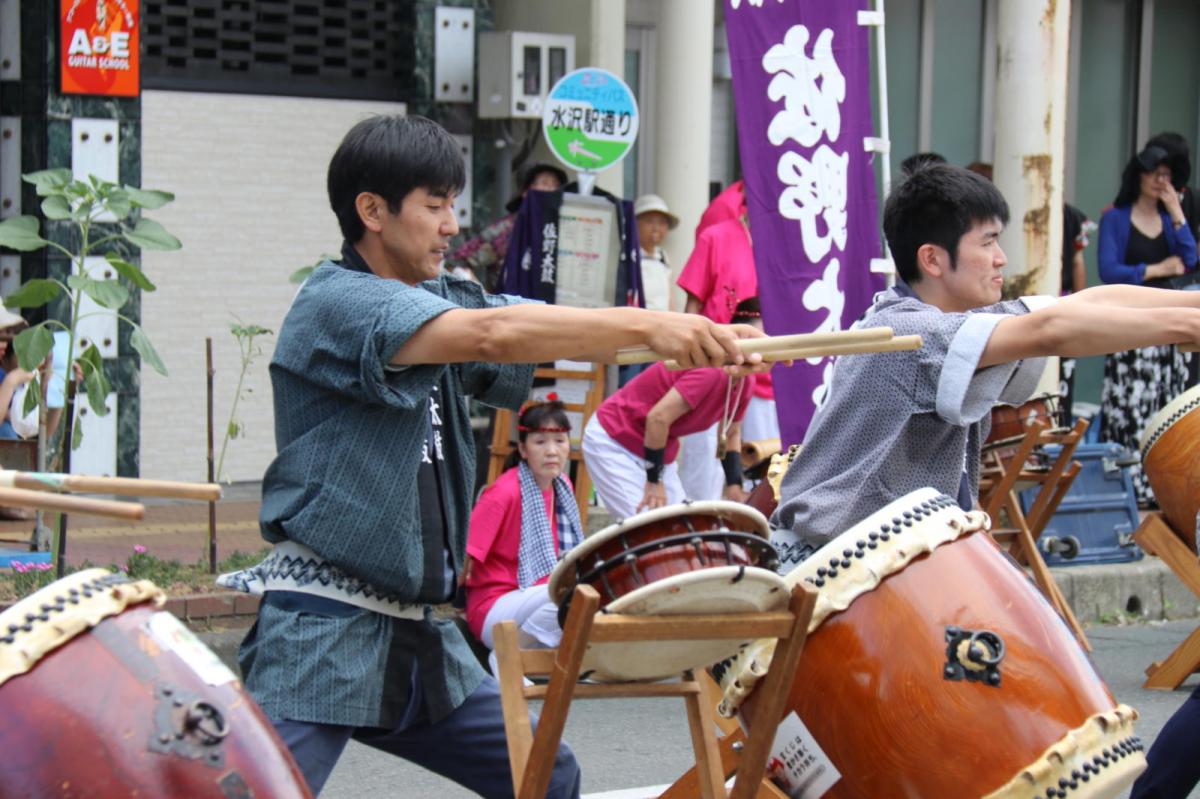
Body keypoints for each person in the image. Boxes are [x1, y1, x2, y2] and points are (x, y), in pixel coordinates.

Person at [225, 114, 766, 798]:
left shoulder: (437, 297)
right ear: (372, 211)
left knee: (546, 775)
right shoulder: (339, 303)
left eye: (453, 205)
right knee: (248, 790)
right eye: (434, 205)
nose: (452, 224)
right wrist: (658, 325)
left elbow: (516, 325)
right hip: (328, 625)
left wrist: (687, 335)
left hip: (421, 633)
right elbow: (493, 332)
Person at [771, 163, 1200, 569]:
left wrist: (1191, 306)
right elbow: (1050, 330)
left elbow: (1084, 303)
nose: (1001, 259)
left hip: (896, 559)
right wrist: (1185, 324)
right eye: (988, 241)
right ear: (933, 259)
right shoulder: (906, 332)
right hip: (829, 562)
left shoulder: (951, 322)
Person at [583, 298, 765, 520]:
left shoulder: (746, 380)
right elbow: (658, 418)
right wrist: (654, 481)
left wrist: (735, 486)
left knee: (682, 527)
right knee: (647, 529)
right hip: (615, 440)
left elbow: (731, 432)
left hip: (657, 449)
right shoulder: (712, 370)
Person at [1098, 145, 1199, 503]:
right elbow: (1109, 271)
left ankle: (1161, 488)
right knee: (1128, 406)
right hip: (1132, 324)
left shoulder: (1170, 219)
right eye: (1155, 173)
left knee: (1165, 405)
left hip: (1169, 328)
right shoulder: (1116, 218)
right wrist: (1155, 270)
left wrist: (1175, 211)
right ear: (1138, 175)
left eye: (1168, 176)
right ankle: (1125, 489)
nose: (1161, 181)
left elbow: (1190, 259)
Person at [464, 399, 582, 659]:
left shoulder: (563, 485)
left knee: (587, 599)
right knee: (574, 594)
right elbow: (465, 555)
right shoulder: (505, 492)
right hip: (494, 607)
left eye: (560, 441)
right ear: (523, 449)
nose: (552, 451)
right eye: (540, 442)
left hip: (538, 604)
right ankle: (508, 655)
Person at [676, 212, 778, 501]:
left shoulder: (789, 238)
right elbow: (692, 305)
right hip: (714, 365)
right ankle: (701, 526)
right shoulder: (716, 237)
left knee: (764, 464)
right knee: (704, 465)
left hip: (767, 370)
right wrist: (686, 359)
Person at [447, 161, 566, 291]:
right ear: (526, 191)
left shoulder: (563, 229)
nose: (552, 190)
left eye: (556, 185)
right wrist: (482, 298)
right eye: (545, 183)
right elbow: (455, 262)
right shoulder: (508, 229)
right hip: (507, 306)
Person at [619, 194, 680, 386]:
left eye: (662, 223)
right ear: (635, 224)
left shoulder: (663, 256)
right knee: (630, 382)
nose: (656, 228)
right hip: (634, 333)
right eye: (649, 222)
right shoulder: (626, 256)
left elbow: (668, 294)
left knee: (652, 384)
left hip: (661, 332)